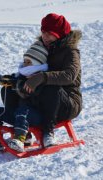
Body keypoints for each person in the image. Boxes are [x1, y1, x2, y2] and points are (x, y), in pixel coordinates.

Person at [22, 13, 83, 147]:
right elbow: (29, 66)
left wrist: (42, 77)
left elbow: (69, 75)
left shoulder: (71, 52)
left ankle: (48, 132)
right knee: (14, 87)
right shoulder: (42, 48)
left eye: (49, 33)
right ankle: (22, 131)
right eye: (43, 32)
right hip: (43, 99)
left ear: (59, 34)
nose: (45, 36)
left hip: (68, 102)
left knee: (51, 87)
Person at [0, 40, 49, 152]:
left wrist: (18, 85)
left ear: (37, 63)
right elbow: (13, 79)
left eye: (28, 62)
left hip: (38, 116)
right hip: (19, 114)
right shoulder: (21, 75)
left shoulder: (41, 78)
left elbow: (35, 94)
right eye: (24, 61)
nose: (24, 64)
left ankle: (20, 139)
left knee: (23, 111)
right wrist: (4, 80)